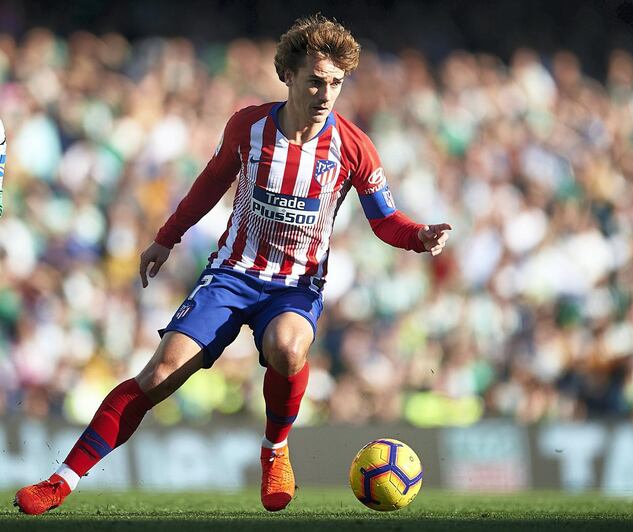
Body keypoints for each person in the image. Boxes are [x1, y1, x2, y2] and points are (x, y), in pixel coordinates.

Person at [14, 14, 451, 515]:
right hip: (233, 274)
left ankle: (275, 450)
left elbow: (385, 220)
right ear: (288, 75)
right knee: (159, 374)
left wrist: (418, 236)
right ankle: (62, 480)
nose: (326, 92)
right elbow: (210, 182)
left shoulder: (354, 148)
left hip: (294, 287)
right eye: (315, 80)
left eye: (335, 82)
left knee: (289, 348)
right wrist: (166, 237)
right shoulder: (250, 126)